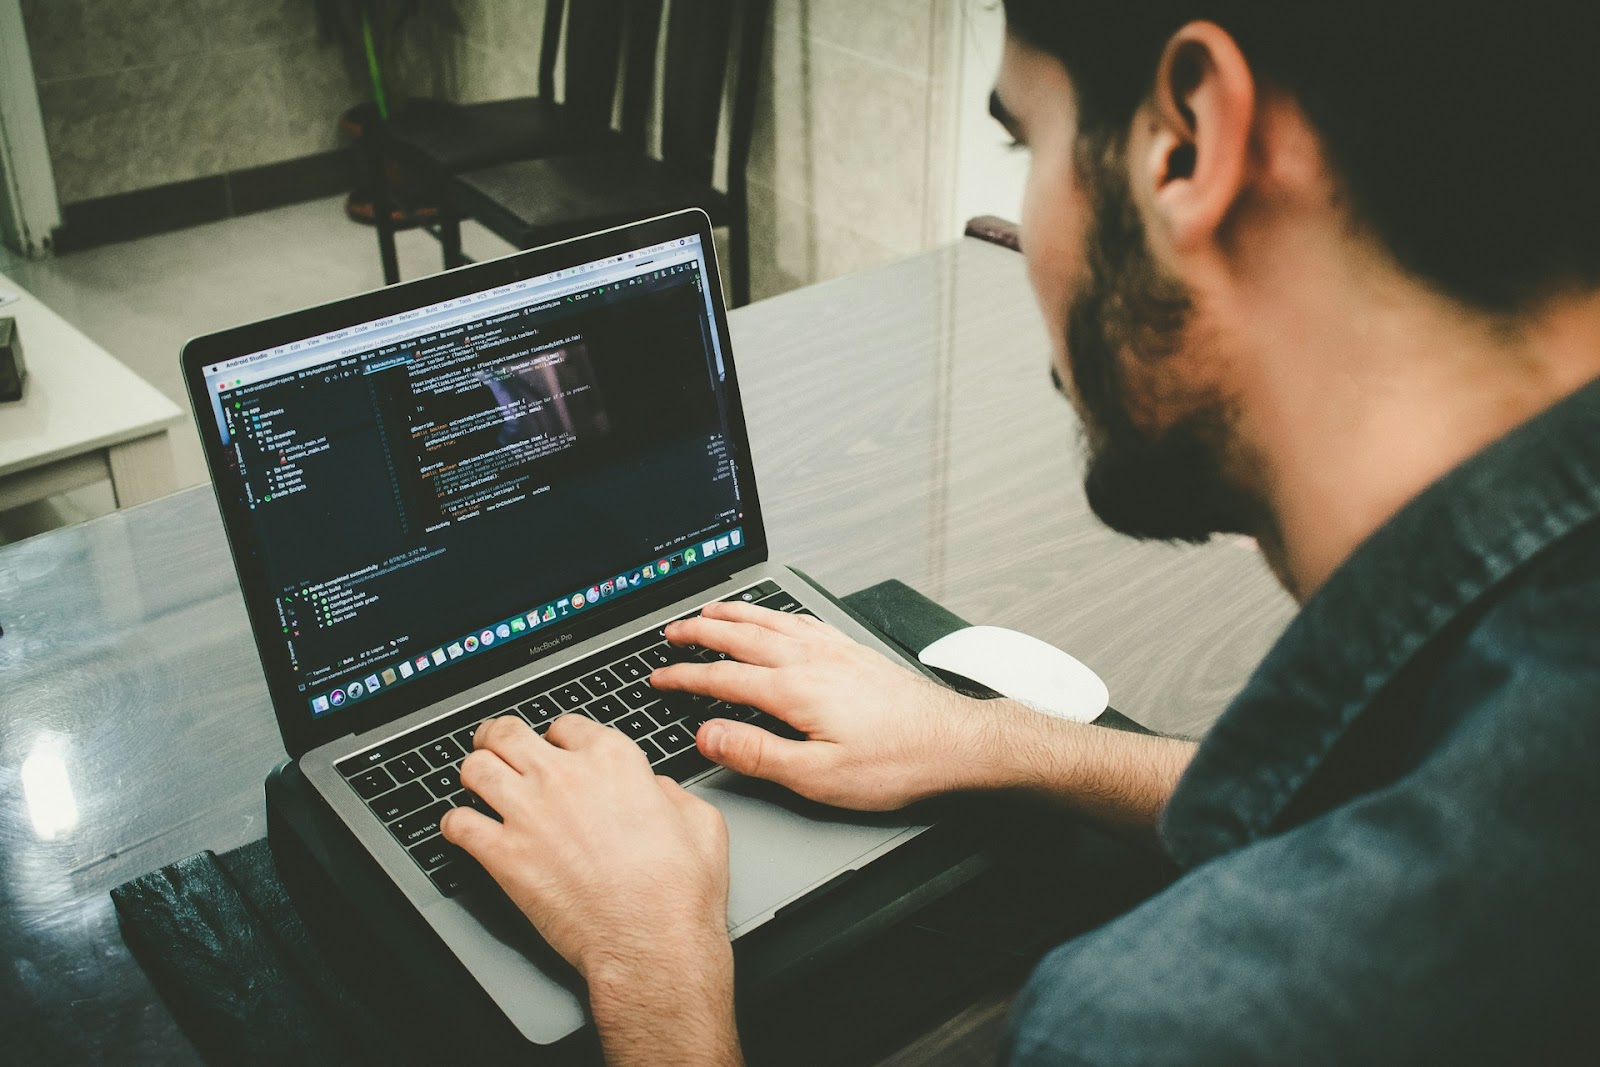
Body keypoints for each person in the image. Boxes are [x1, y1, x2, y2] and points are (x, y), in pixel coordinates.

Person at [441, 1, 1600, 1062]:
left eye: (1024, 142)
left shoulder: (1173, 1021)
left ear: (1185, 143)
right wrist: (990, 739)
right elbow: (1370, 777)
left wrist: (653, 968)